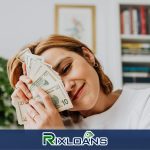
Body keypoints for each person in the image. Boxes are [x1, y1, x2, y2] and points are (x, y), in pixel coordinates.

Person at [7, 35, 150, 129]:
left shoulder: (144, 103)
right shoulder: (51, 127)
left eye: (66, 68)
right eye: (49, 85)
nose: (67, 87)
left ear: (88, 56)